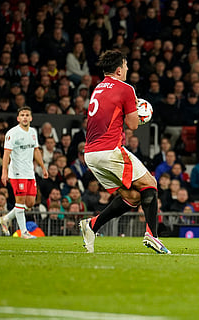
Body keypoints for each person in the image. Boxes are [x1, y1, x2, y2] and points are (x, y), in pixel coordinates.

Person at [79, 50, 170, 254]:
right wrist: (141, 115)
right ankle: (152, 236)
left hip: (91, 155)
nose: (128, 70)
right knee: (150, 184)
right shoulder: (126, 89)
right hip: (109, 150)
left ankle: (92, 225)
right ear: (119, 69)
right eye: (126, 66)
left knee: (132, 196)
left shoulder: (98, 88)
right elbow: (132, 124)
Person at [0, 106, 49, 239]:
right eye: (22, 115)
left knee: (30, 203)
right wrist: (4, 172)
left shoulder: (33, 132)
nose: (25, 117)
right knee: (20, 201)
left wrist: (43, 167)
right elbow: (6, 154)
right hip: (17, 172)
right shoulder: (12, 133)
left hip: (29, 172)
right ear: (18, 118)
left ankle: (5, 219)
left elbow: (36, 150)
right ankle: (24, 232)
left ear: (31, 118)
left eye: (27, 115)